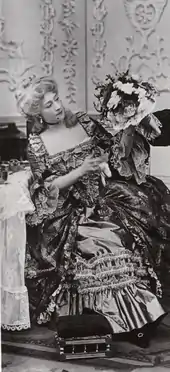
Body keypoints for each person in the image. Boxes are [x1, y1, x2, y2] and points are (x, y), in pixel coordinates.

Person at [15, 74, 169, 347]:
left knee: (134, 221)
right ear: (37, 114)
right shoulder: (38, 145)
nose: (58, 107)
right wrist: (81, 171)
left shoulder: (83, 121)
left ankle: (141, 316)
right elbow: (49, 188)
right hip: (66, 210)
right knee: (102, 242)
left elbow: (110, 146)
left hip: (100, 196)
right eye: (49, 105)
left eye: (57, 99)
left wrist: (129, 119)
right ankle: (125, 321)